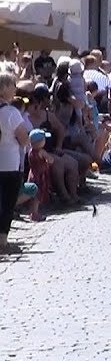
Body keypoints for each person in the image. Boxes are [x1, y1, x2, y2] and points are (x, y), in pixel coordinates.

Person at [0, 73, 28, 253]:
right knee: (8, 202)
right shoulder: (11, 113)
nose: (15, 88)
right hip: (9, 162)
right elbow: (24, 139)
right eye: (12, 85)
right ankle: (2, 240)